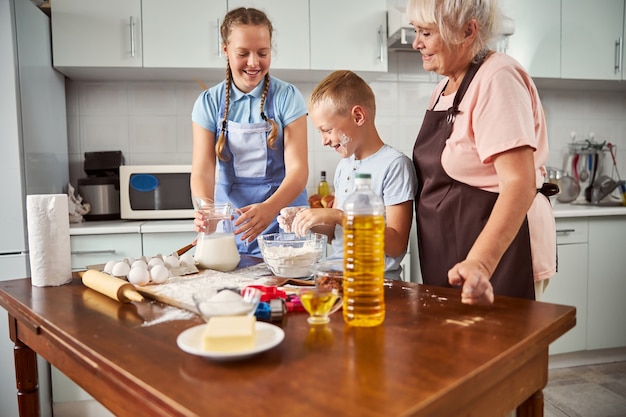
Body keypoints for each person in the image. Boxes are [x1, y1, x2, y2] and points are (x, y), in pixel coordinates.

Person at [407, 0, 557, 305]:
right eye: (416, 31)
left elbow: (519, 183)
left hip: (500, 258)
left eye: (426, 32)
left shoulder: (498, 77)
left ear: (467, 31)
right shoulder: (444, 89)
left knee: (505, 352)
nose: (415, 43)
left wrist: (481, 263)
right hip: (454, 253)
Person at [190, 7, 309, 256]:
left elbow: (298, 170)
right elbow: (202, 170)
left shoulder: (288, 97)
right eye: (243, 53)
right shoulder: (208, 102)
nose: (254, 62)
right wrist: (207, 211)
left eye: (262, 53)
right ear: (225, 51)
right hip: (231, 226)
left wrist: (269, 210)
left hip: (283, 220)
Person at [278, 70, 417, 280]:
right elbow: (338, 234)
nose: (323, 141)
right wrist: (307, 219)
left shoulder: (394, 165)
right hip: (339, 279)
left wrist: (337, 215)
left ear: (358, 116)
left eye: (327, 130)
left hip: (377, 286)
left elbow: (396, 245)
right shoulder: (344, 166)